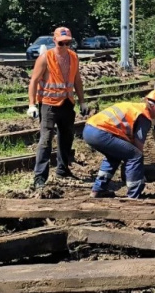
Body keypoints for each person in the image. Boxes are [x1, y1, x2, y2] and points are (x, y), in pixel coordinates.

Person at [27, 26, 88, 189]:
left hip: (67, 103)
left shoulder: (74, 57)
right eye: (62, 43)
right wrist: (32, 104)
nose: (65, 46)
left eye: (68, 43)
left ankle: (62, 169)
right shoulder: (46, 58)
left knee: (67, 137)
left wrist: (82, 101)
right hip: (48, 105)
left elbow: (77, 80)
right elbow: (33, 81)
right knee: (46, 140)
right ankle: (40, 177)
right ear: (55, 41)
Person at [83, 89, 155, 198]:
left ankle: (98, 190)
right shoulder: (144, 117)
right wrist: (137, 169)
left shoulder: (135, 108)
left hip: (89, 129)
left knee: (113, 157)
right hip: (101, 133)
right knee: (135, 155)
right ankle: (133, 195)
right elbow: (138, 146)